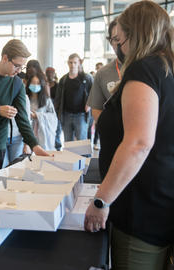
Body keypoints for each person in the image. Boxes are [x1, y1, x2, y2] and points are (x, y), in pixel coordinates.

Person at [84, 2, 174, 269]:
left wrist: (102, 200)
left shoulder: (144, 69)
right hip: (162, 197)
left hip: (141, 207)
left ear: (134, 36)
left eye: (119, 40)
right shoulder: (167, 67)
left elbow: (138, 143)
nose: (118, 48)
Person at [0, 39, 50, 173]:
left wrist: (35, 146)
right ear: (5, 58)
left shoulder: (17, 84)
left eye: (22, 67)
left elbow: (23, 119)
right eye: (17, 66)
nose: (19, 71)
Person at [87, 18, 122, 150]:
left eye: (122, 38)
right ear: (110, 41)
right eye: (115, 39)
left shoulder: (144, 68)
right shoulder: (103, 73)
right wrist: (108, 128)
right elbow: (95, 108)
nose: (119, 44)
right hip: (112, 139)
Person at [55, 53, 93, 142]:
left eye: (75, 62)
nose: (73, 65)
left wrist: (89, 103)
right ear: (68, 63)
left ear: (79, 63)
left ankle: (84, 157)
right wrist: (57, 113)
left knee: (81, 142)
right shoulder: (63, 79)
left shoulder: (86, 78)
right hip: (66, 115)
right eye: (71, 62)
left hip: (81, 115)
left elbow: (94, 92)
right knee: (68, 142)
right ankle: (70, 156)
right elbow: (58, 98)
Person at [26, 72, 57, 150]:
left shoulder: (46, 100)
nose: (35, 85)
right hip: (28, 132)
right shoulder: (25, 98)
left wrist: (37, 115)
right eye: (33, 83)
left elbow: (53, 117)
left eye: (38, 83)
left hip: (43, 134)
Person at [46, 67, 62, 151]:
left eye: (51, 72)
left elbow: (60, 99)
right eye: (48, 72)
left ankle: (58, 148)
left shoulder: (57, 85)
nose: (50, 74)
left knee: (57, 131)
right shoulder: (44, 85)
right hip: (47, 112)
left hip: (56, 112)